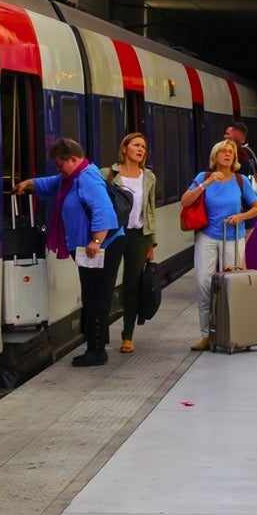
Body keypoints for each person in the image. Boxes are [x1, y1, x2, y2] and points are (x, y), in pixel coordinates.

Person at [13, 138, 118, 367]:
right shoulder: (72, 177)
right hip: (89, 247)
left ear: (73, 159)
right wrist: (29, 184)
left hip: (101, 247)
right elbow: (52, 183)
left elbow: (104, 210)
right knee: (92, 293)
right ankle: (96, 345)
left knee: (95, 295)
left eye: (60, 164)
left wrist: (96, 241)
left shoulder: (87, 178)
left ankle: (97, 351)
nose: (58, 169)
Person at [185, 140, 257, 351]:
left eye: (231, 152)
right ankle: (207, 335)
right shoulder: (203, 177)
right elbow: (185, 201)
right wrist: (206, 184)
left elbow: (256, 208)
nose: (227, 154)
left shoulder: (240, 180)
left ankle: (233, 333)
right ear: (215, 156)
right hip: (207, 237)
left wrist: (240, 217)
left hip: (233, 238)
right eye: (223, 151)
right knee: (204, 284)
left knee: (232, 286)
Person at [105, 132, 157, 355]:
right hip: (114, 234)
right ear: (124, 148)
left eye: (143, 147)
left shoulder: (149, 177)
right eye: (136, 145)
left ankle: (127, 335)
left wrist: (152, 243)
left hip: (139, 235)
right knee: (106, 283)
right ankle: (100, 335)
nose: (141, 150)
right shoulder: (108, 174)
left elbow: (150, 210)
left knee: (132, 285)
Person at [225, 119, 257, 271]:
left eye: (227, 133)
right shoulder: (249, 155)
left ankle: (241, 279)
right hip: (246, 210)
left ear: (237, 137)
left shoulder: (240, 157)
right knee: (239, 249)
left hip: (242, 210)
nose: (224, 136)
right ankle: (243, 279)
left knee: (237, 250)